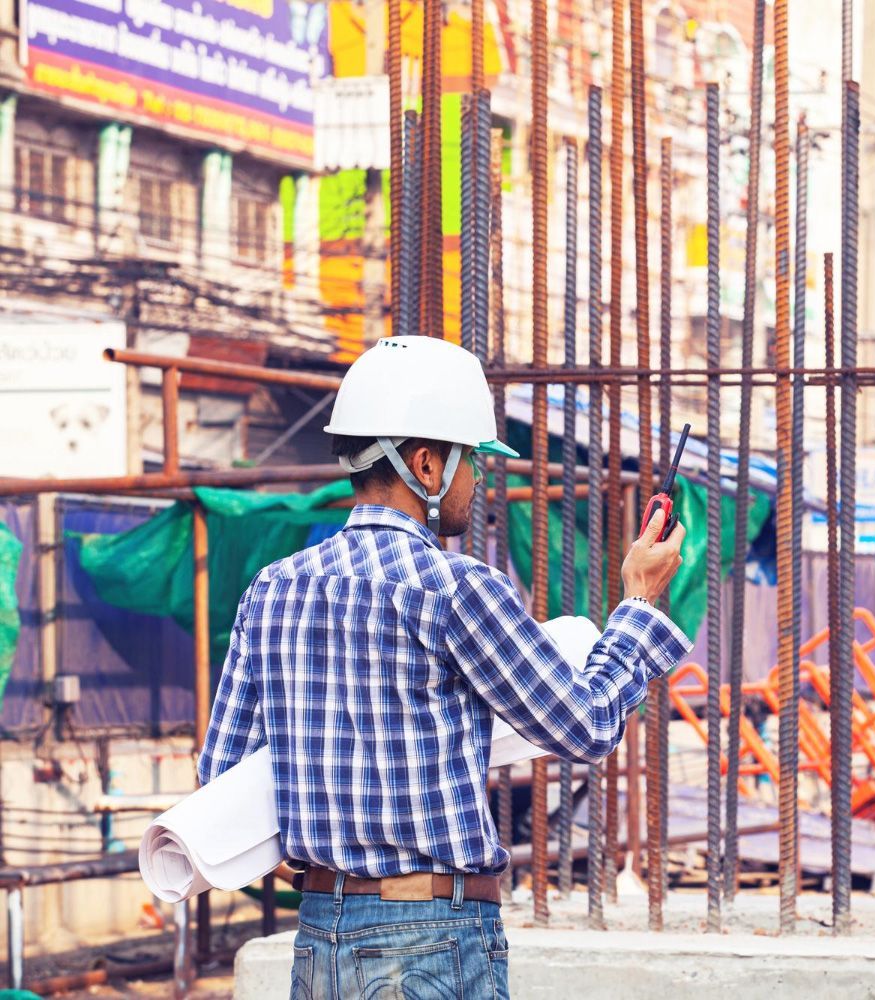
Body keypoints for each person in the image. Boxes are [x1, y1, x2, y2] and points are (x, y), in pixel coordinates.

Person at [197, 336, 690, 999]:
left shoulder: (273, 588)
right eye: (473, 461)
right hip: (430, 935)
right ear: (426, 465)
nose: (480, 478)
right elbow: (587, 726)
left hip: (318, 938)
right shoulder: (456, 589)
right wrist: (635, 601)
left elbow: (221, 778)